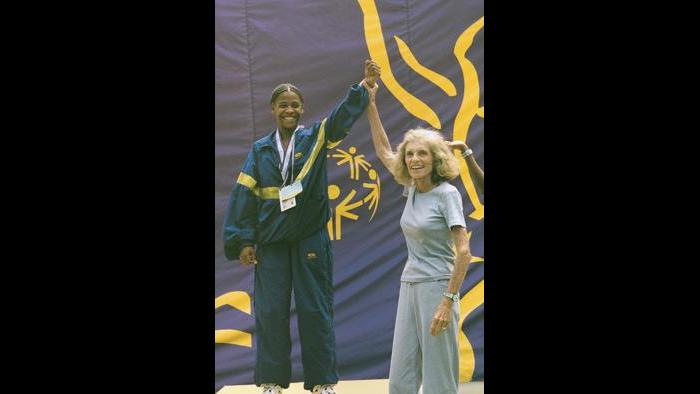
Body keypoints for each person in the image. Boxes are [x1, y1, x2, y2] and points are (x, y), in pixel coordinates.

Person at [223, 60, 381, 394]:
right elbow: (243, 198)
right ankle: (271, 382)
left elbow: (340, 119)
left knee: (315, 309)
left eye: (295, 105)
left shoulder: (315, 138)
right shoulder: (260, 150)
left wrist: (363, 88)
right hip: (272, 243)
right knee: (270, 313)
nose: (290, 110)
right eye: (283, 105)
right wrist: (243, 241)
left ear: (303, 108)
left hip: (310, 238)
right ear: (272, 110)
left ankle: (323, 382)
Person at [363, 76, 472, 394]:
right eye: (410, 154)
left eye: (422, 154)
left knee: (439, 378)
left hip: (438, 288)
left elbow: (463, 252)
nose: (414, 159)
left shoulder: (447, 193)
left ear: (435, 158)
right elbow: (384, 150)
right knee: (401, 378)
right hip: (409, 285)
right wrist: (371, 103)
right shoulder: (411, 188)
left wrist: (447, 303)